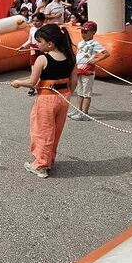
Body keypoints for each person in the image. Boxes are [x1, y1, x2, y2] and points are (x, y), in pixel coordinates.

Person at [10, 24, 77, 178]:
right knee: (56, 131)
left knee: (42, 131)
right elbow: (74, 82)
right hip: (64, 97)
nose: (37, 45)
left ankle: (40, 165)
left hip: (46, 98)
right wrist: (67, 94)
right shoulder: (71, 57)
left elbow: (33, 82)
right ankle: (49, 159)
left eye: (39, 41)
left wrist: (18, 82)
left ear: (50, 43)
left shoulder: (42, 58)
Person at [68, 21, 110, 121]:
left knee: (86, 92)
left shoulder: (95, 44)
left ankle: (85, 113)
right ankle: (78, 110)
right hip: (79, 69)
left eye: (86, 32)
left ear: (93, 32)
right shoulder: (80, 43)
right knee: (80, 91)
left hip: (88, 70)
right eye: (82, 31)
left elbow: (106, 54)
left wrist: (96, 60)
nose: (83, 34)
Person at [16, 12, 46, 96]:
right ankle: (32, 87)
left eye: (37, 21)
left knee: (44, 70)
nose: (35, 23)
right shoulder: (32, 29)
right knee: (33, 70)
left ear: (42, 21)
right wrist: (21, 47)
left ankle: (43, 86)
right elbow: (29, 41)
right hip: (33, 50)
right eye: (33, 21)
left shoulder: (45, 30)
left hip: (43, 51)